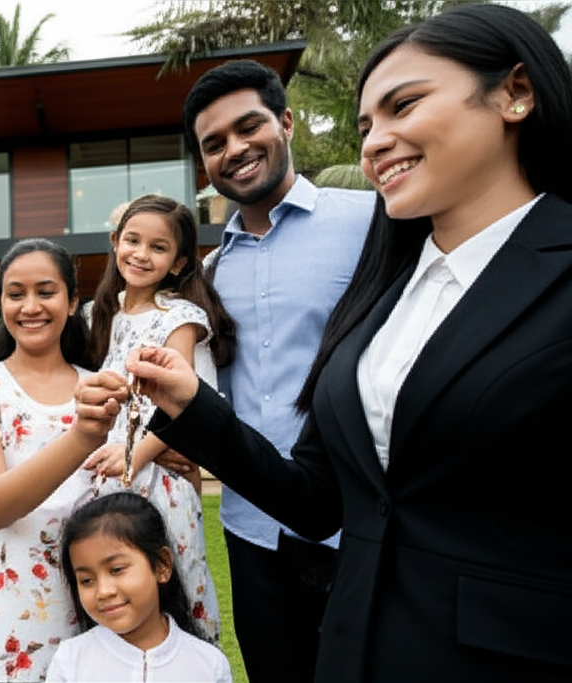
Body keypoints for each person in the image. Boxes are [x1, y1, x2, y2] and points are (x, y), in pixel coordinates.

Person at [98, 4, 572, 680]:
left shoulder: (375, 227)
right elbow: (320, 489)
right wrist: (190, 407)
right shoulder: (244, 276)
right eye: (366, 125)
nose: (376, 143)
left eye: (403, 105)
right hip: (292, 559)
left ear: (516, 93)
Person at [182, 58, 375, 682]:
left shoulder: (373, 221)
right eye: (214, 145)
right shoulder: (207, 277)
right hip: (253, 529)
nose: (234, 150)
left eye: (249, 127)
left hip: (360, 524)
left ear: (286, 122)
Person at [0, 239, 119, 683]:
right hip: (3, 620)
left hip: (100, 611)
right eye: (15, 294)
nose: (30, 306)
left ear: (73, 301)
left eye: (46, 291)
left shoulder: (105, 386)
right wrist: (81, 437)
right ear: (1, 302)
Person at [81, 193, 235, 643]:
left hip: (156, 472)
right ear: (115, 242)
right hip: (105, 473)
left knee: (170, 583)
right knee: (112, 593)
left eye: (158, 247)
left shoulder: (180, 318)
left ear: (179, 262)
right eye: (132, 240)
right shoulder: (98, 315)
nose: (141, 254)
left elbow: (181, 403)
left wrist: (134, 455)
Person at [46, 492, 233, 682]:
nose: (103, 591)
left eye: (117, 569)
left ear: (162, 565)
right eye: (86, 580)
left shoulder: (209, 665)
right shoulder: (70, 661)